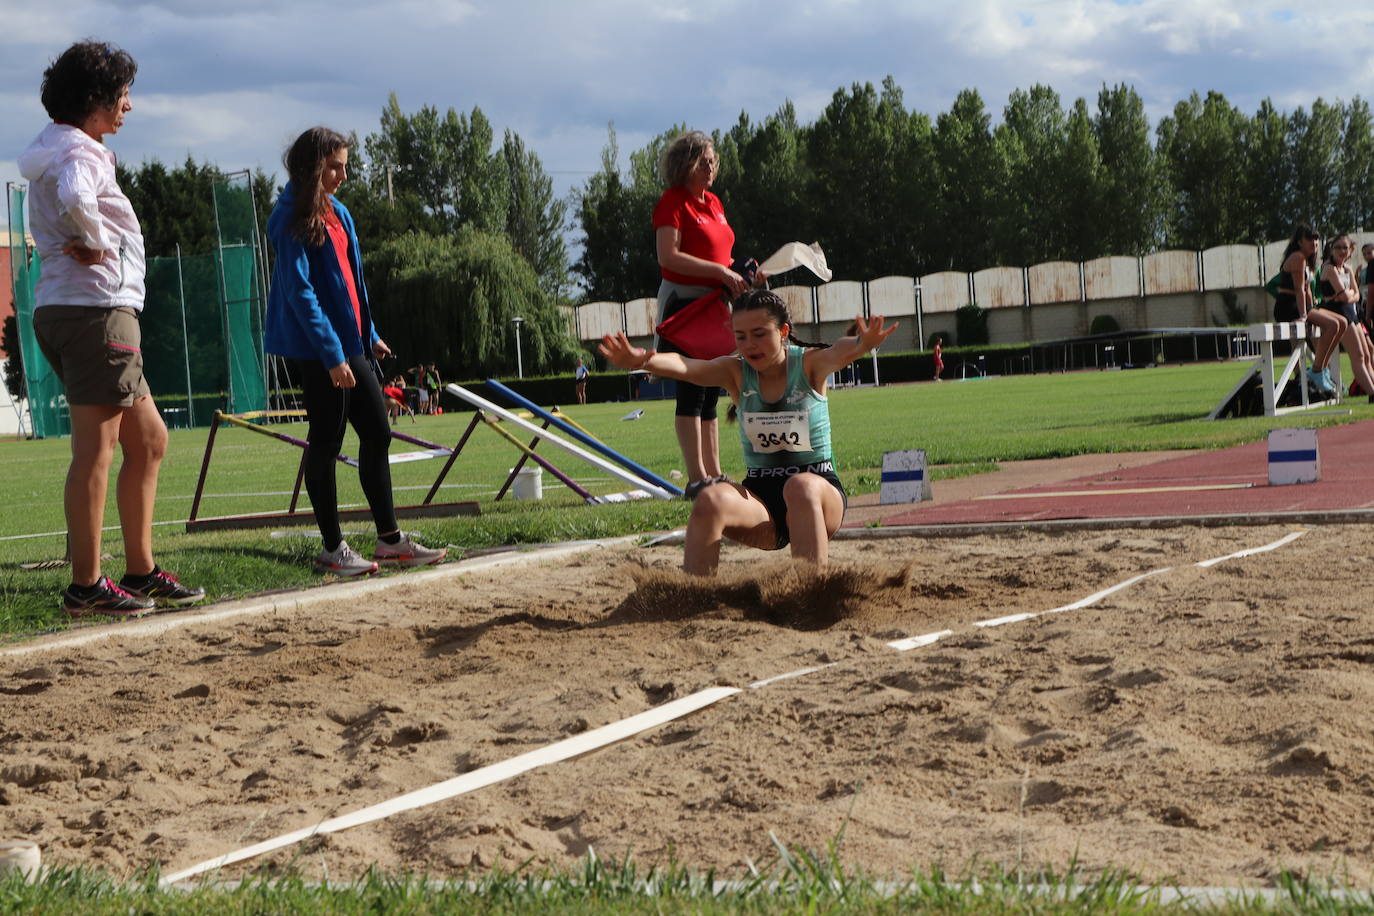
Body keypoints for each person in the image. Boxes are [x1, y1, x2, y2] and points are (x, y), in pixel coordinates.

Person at [19, 40, 204, 615]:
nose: (130, 105)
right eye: (123, 94)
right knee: (96, 451)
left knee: (147, 440)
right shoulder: (81, 154)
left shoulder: (63, 147)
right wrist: (97, 243)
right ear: (96, 99)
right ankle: (86, 585)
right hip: (96, 313)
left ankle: (140, 571)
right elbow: (77, 197)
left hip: (75, 310)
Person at [599, 288, 897, 576]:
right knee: (709, 499)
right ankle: (692, 598)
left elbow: (838, 351)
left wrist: (862, 343)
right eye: (740, 336)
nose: (750, 345)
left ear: (783, 331)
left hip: (818, 496)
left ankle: (811, 594)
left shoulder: (809, 365)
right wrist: (643, 360)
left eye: (759, 334)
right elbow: (687, 366)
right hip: (762, 502)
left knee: (800, 487)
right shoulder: (736, 372)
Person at [264, 127, 445, 576]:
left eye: (345, 164)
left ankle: (389, 540)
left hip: (351, 345)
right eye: (334, 166)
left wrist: (370, 335)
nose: (343, 174)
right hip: (318, 348)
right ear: (312, 167)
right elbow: (300, 294)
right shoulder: (289, 217)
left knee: (378, 432)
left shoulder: (338, 212)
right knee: (325, 442)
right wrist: (331, 355)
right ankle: (333, 548)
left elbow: (351, 284)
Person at [652, 130, 764, 501]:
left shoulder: (714, 202)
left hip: (716, 305)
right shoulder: (672, 202)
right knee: (690, 390)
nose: (712, 166)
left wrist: (742, 270)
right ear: (686, 164)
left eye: (714, 159)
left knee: (711, 392)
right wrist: (721, 273)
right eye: (704, 160)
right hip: (685, 307)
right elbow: (669, 258)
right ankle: (696, 478)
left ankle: (714, 473)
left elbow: (721, 255)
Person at [1273, 226, 1343, 397]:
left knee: (1342, 323)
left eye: (1317, 239)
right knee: (1333, 325)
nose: (1315, 243)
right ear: (1299, 242)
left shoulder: (1307, 259)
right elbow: (1299, 290)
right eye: (1310, 239)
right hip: (1289, 305)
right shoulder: (1297, 257)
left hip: (1300, 304)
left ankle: (1321, 369)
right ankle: (1318, 370)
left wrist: (1313, 309)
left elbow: (1308, 290)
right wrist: (1305, 315)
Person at [1320, 234, 1374, 401]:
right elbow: (1343, 296)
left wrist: (1348, 294)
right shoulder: (1329, 268)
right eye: (1338, 247)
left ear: (1351, 250)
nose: (1342, 251)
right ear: (1331, 249)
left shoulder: (1348, 269)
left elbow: (1356, 295)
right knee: (1357, 355)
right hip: (1338, 313)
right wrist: (1348, 294)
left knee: (1366, 354)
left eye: (1346, 248)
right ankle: (1372, 393)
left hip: (1351, 312)